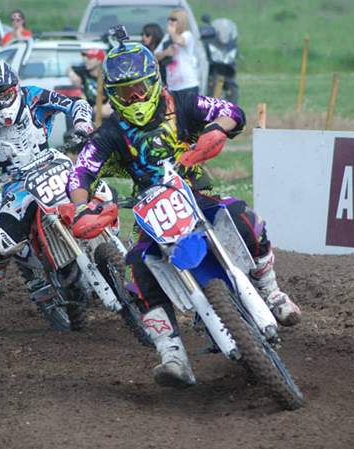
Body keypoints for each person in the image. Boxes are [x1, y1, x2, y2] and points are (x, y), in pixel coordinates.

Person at [66, 42, 300, 388]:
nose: (134, 98)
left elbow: (231, 111)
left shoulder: (183, 103)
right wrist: (81, 207)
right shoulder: (110, 133)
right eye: (125, 93)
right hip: (150, 207)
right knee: (136, 269)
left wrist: (215, 131)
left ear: (154, 81)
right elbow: (80, 173)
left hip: (195, 191)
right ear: (113, 95)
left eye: (139, 89)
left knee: (243, 217)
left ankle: (272, 290)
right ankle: (171, 352)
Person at [0, 59, 94, 301]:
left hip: (53, 163)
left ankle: (107, 243)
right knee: (6, 242)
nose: (1, 104)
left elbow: (76, 103)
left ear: (15, 87)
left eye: (6, 96)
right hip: (16, 182)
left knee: (98, 191)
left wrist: (82, 124)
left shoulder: (34, 96)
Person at [154, 8, 200, 93]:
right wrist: (165, 53)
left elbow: (180, 41)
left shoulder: (187, 35)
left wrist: (172, 32)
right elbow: (154, 56)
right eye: (169, 19)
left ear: (181, 22)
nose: (170, 22)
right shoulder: (167, 37)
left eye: (173, 20)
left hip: (188, 85)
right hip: (172, 87)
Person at [66, 49, 112, 120]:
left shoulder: (108, 75)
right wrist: (72, 75)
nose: (86, 61)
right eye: (86, 58)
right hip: (89, 113)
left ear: (99, 61)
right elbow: (69, 68)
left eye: (90, 58)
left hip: (106, 112)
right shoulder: (84, 71)